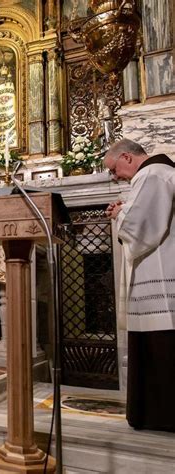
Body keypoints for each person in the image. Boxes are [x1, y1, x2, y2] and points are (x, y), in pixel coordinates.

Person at [104, 138, 175, 432]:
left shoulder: (151, 174)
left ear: (128, 158)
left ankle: (161, 416)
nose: (115, 176)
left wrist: (120, 213)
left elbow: (140, 228)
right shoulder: (162, 173)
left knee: (161, 348)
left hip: (159, 274)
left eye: (114, 169)